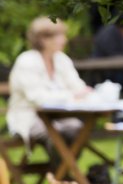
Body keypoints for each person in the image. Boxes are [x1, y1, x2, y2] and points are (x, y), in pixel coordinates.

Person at [7, 17, 92, 145]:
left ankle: (62, 164)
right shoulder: (27, 61)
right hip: (30, 117)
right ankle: (63, 164)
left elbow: (79, 87)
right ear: (43, 39)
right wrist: (72, 96)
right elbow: (38, 98)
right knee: (58, 134)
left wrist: (85, 93)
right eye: (60, 36)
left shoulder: (62, 59)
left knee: (79, 129)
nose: (65, 40)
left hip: (61, 117)